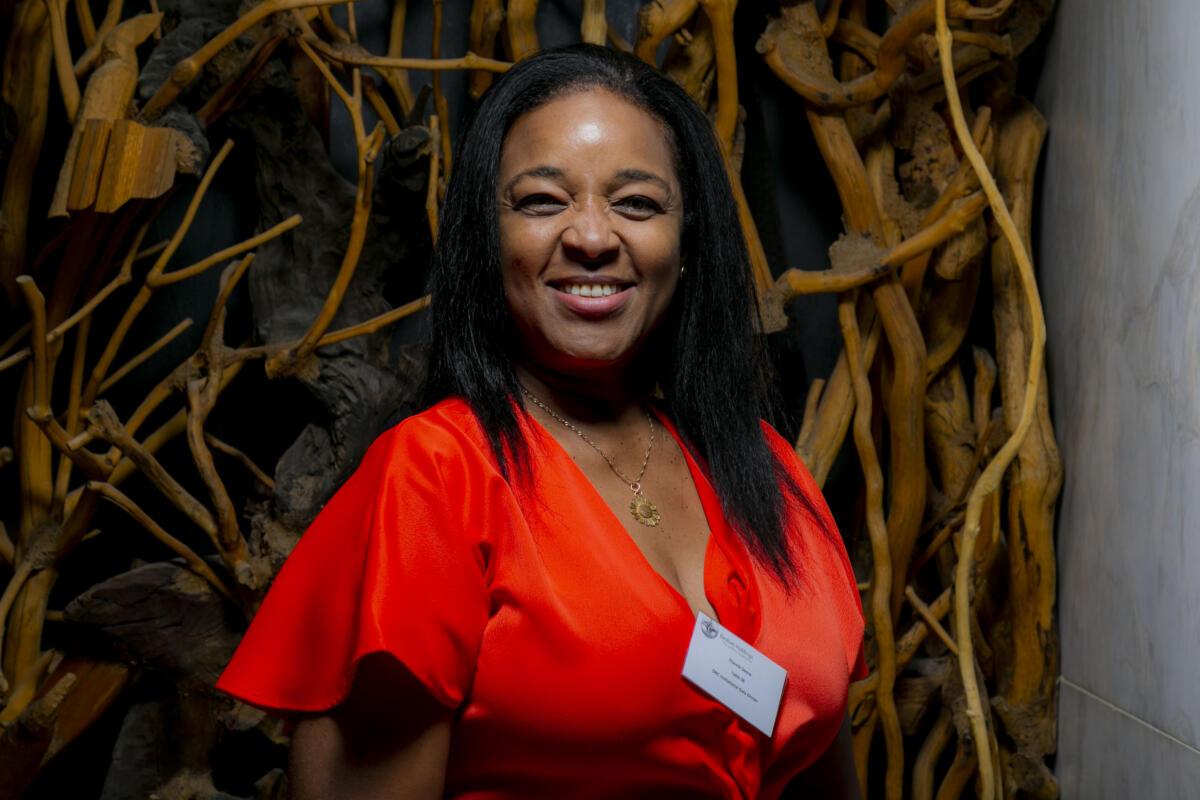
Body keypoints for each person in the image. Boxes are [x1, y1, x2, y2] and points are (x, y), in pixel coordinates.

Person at [215, 43, 866, 799]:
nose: (591, 237)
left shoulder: (770, 471)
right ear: (488, 240)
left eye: (637, 203)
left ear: (687, 241)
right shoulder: (435, 477)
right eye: (542, 201)